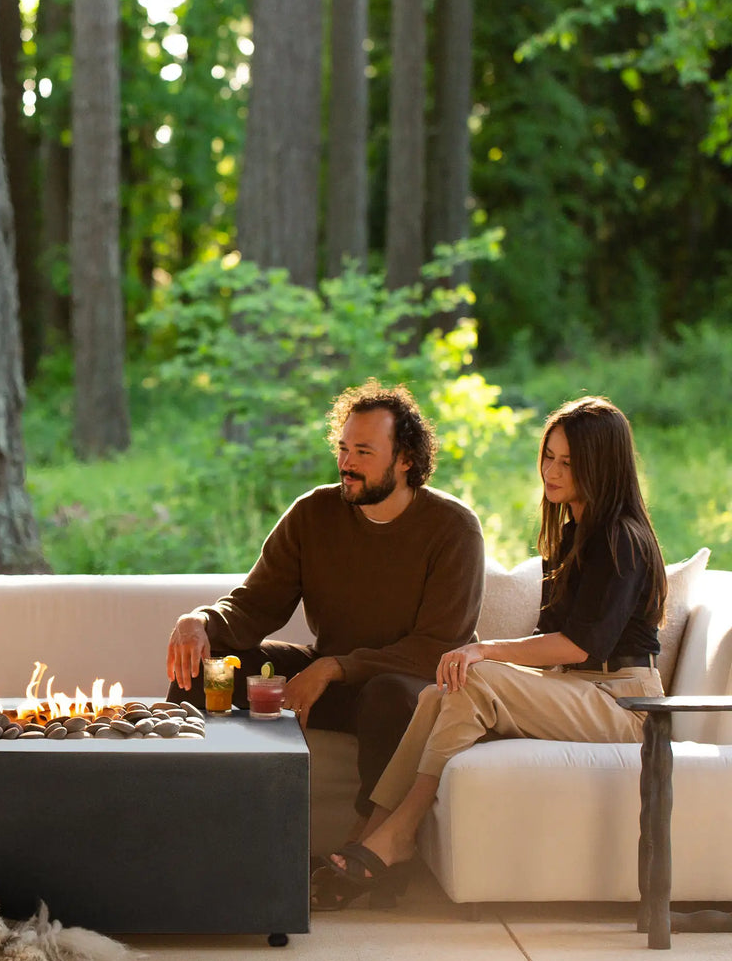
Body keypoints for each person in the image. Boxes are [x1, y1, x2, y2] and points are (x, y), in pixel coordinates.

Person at [317, 395, 668, 909]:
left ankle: (399, 833)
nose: (552, 470)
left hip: (625, 704)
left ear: (602, 466)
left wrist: (486, 652)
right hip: (578, 688)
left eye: (569, 462)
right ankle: (369, 828)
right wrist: (483, 656)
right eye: (549, 455)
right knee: (439, 693)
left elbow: (579, 644)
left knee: (472, 675)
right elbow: (558, 647)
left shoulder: (620, 538)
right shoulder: (574, 536)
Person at [166, 379, 485, 840]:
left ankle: (370, 848)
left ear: (406, 460)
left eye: (364, 452)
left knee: (387, 694)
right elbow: (257, 603)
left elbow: (436, 648)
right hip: (333, 679)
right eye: (343, 449)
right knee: (207, 666)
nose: (347, 464)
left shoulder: (453, 529)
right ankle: (179, 814)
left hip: (411, 691)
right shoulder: (313, 513)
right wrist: (200, 621)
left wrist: (335, 667)